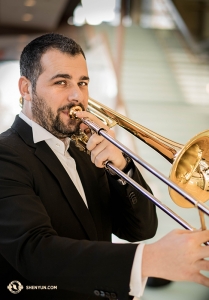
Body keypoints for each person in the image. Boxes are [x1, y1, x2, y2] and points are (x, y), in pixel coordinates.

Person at [0, 33, 208, 300]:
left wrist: (123, 168)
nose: (77, 95)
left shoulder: (87, 150)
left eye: (83, 82)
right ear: (26, 89)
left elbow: (139, 230)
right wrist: (149, 260)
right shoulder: (6, 154)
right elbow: (34, 252)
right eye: (61, 82)